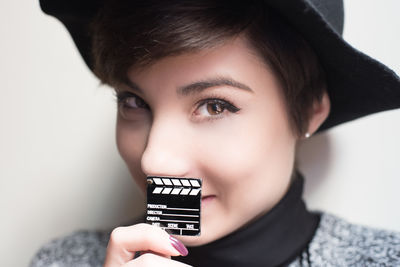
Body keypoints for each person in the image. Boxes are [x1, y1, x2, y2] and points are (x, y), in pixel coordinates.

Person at [32, 0, 400, 266]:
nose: (154, 160)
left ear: (307, 112)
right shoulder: (63, 261)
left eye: (215, 106)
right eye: (134, 102)